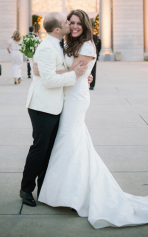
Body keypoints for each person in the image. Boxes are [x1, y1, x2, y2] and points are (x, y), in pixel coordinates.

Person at [34, 9, 148, 229]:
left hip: (76, 99)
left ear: (85, 24)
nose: (75, 26)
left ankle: (73, 195)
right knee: (71, 142)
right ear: (66, 25)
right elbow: (72, 72)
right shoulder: (69, 44)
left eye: (79, 23)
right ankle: (67, 191)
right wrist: (61, 71)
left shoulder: (88, 45)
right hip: (66, 96)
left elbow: (71, 72)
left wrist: (43, 71)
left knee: (70, 141)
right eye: (71, 22)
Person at [20, 12, 89, 208]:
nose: (70, 23)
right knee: (39, 148)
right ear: (58, 29)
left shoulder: (60, 44)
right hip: (42, 106)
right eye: (67, 22)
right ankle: (26, 188)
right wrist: (74, 75)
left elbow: (55, 72)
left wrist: (82, 77)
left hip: (55, 104)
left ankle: (44, 188)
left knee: (49, 150)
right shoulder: (46, 48)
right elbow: (49, 81)